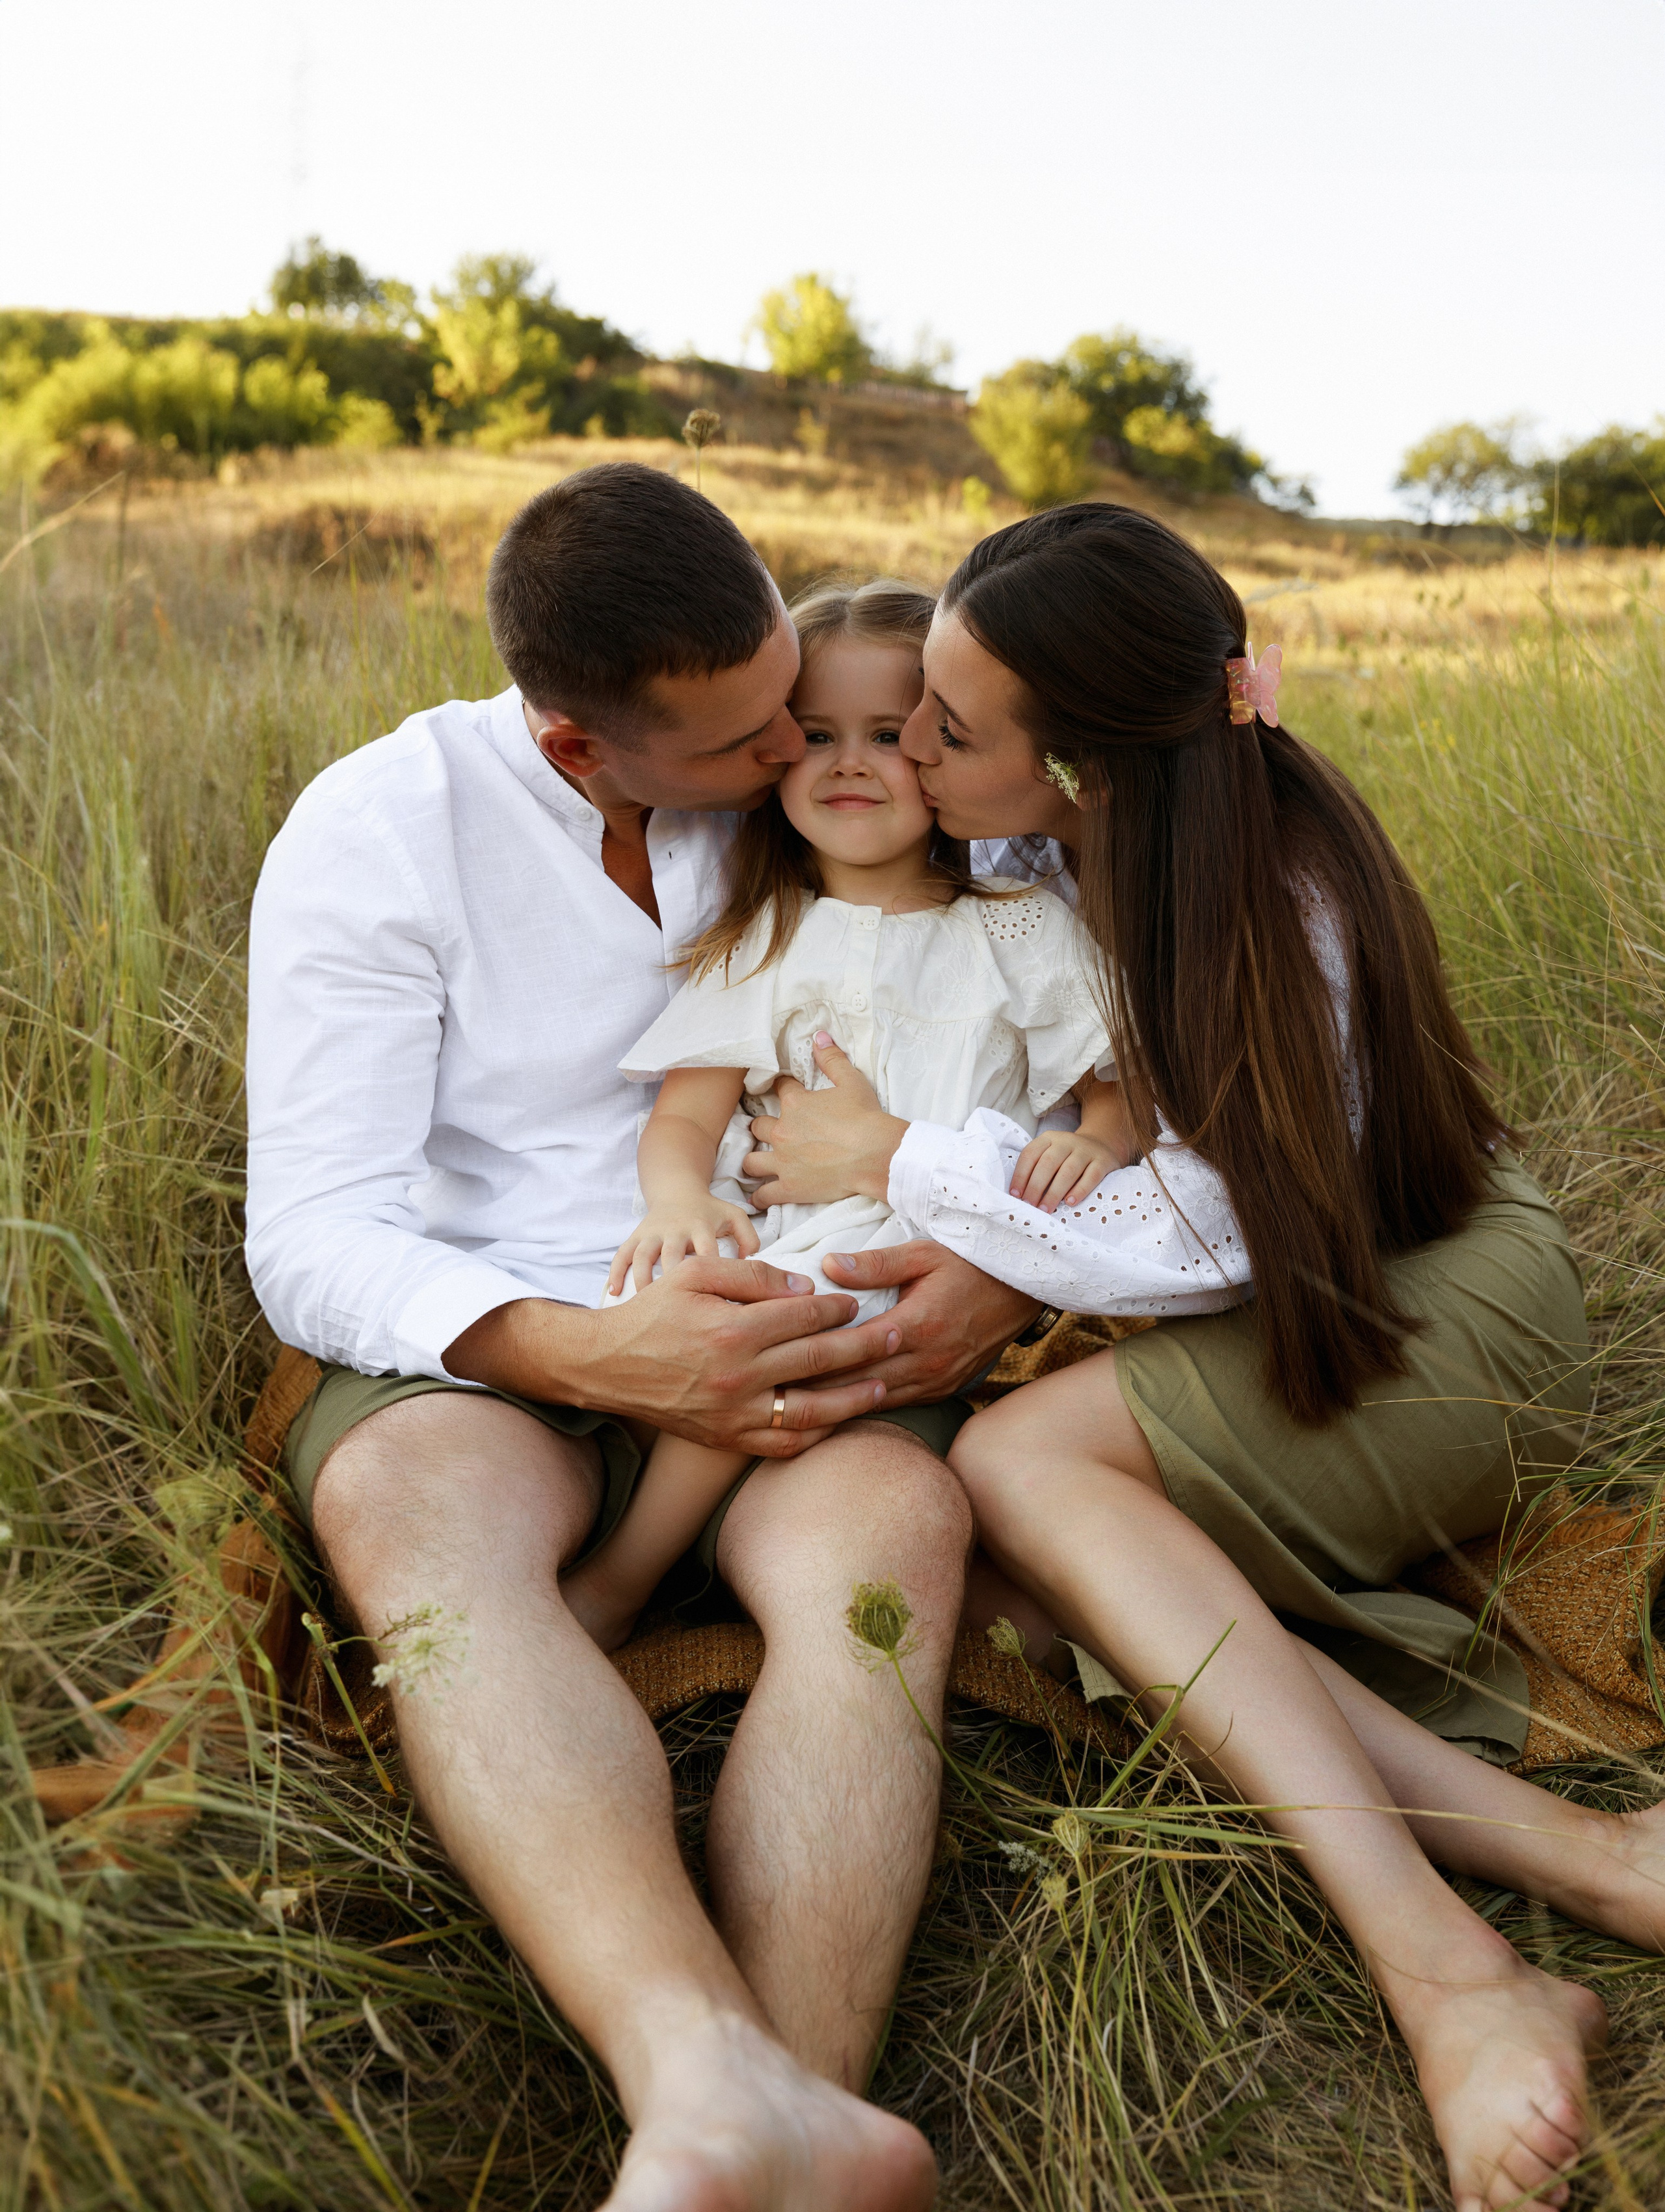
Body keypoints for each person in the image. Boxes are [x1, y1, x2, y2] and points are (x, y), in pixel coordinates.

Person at [744, 504, 1665, 2212]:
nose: (917, 746)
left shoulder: (1272, 893)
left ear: (1081, 763)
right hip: (1312, 1282)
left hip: (1445, 1305)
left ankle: (1456, 1975)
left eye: (951, 726)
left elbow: (1209, 1239)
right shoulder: (1070, 841)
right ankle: (1584, 1858)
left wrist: (908, 1168)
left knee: (1019, 1476)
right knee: (1038, 1577)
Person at [243, 463, 1045, 2211]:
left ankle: (799, 2120)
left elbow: (1103, 936)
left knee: (893, 1540)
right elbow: (311, 1230)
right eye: (745, 737)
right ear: (577, 749)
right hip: (504, 1329)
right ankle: (699, 2073)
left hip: (814, 1294)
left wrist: (1003, 1268)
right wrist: (579, 1353)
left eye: (798, 698)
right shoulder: (382, 834)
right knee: (408, 1519)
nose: (808, 753)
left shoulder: (852, 765)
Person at [563, 579, 1130, 1652]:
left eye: (886, 734)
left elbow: (1111, 1073)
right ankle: (674, 1546)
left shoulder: (1015, 927)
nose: (850, 762)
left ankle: (625, 1577)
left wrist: (1094, 1137)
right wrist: (678, 1198)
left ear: (938, 745)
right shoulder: (765, 934)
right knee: (724, 1308)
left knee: (790, 1323)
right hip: (792, 1235)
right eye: (816, 735)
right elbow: (687, 1112)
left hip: (943, 1240)